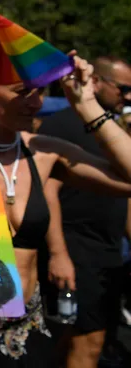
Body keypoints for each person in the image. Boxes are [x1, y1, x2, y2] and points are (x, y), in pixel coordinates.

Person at [0, 36, 131, 367]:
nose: (34, 102)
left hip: (27, 336)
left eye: (39, 91)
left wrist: (86, 104)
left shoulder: (45, 153)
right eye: (22, 92)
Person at [37, 56, 131, 368]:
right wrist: (58, 254)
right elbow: (47, 190)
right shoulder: (62, 126)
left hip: (108, 252)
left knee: (84, 339)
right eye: (123, 88)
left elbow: (127, 192)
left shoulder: (113, 129)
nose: (128, 96)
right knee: (85, 343)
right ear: (97, 82)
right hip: (77, 252)